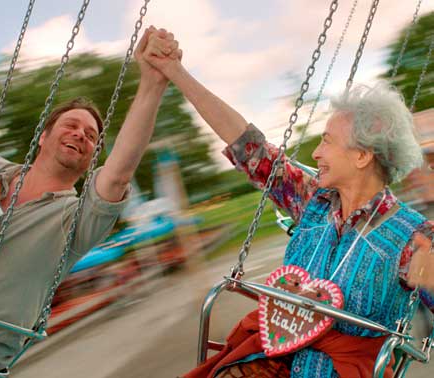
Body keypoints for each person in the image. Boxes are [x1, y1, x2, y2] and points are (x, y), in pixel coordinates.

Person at [143, 28, 434, 377]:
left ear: (361, 156)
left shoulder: (411, 236)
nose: (315, 152)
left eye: (326, 142)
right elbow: (247, 146)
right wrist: (175, 71)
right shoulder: (313, 202)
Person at [0, 27, 175, 376]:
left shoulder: (76, 219)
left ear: (91, 160)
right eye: (71, 125)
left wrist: (152, 84)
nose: (80, 135)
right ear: (44, 136)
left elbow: (117, 175)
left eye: (91, 136)